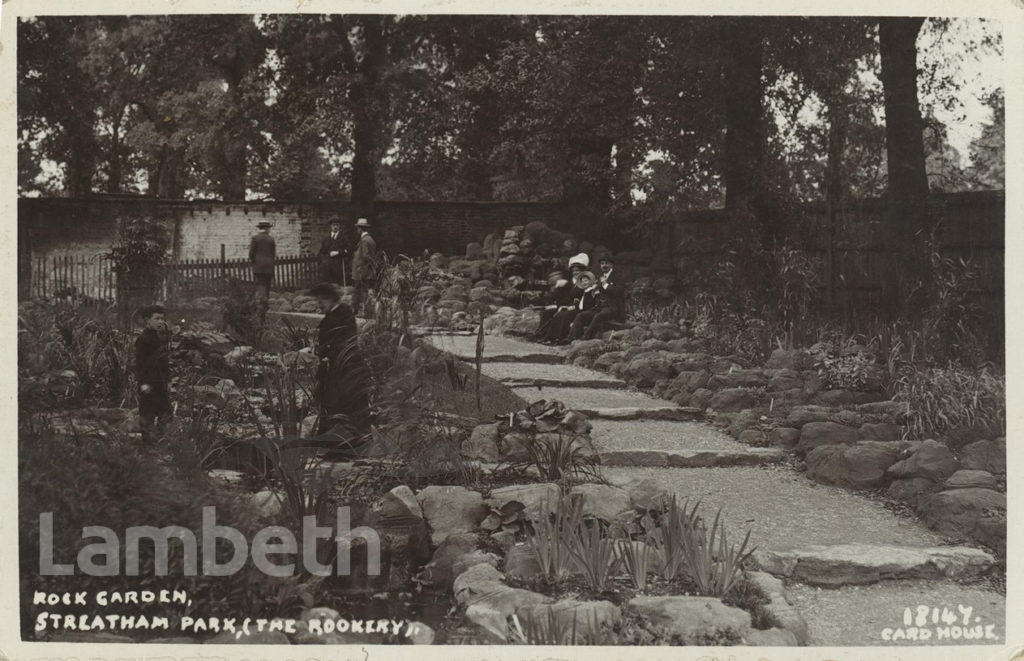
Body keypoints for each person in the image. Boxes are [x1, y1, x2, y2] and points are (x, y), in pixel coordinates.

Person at [309, 283, 372, 452]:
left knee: (343, 402)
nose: (319, 303)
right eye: (318, 299)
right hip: (336, 365)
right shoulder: (333, 315)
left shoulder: (343, 314)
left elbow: (343, 340)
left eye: (323, 299)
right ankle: (335, 443)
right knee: (332, 402)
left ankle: (346, 443)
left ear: (333, 299)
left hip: (345, 365)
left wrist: (326, 353)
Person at [135, 304, 172, 444]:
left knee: (166, 413)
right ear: (147, 320)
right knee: (147, 414)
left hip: (159, 382)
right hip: (148, 383)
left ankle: (157, 440)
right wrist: (143, 383)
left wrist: (168, 380)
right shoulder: (142, 340)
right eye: (156, 318)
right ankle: (148, 445)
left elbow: (164, 362)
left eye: (162, 318)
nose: (160, 321)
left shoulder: (158, 338)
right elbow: (139, 365)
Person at [543, 270, 601, 345]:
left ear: (591, 282)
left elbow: (592, 304)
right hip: (578, 309)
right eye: (582, 281)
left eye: (586, 281)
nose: (584, 283)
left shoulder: (593, 292)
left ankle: (559, 338)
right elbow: (578, 302)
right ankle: (552, 337)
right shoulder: (583, 291)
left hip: (585, 311)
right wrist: (568, 307)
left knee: (565, 315)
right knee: (561, 313)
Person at [578, 249, 626, 339]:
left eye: (606, 263)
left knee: (598, 316)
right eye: (602, 263)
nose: (604, 265)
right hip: (600, 307)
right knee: (582, 315)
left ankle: (586, 336)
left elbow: (618, 291)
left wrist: (605, 285)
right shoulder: (600, 277)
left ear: (611, 265)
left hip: (613, 308)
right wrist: (594, 289)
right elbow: (597, 294)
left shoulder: (618, 276)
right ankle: (571, 337)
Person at [350, 217, 377, 316]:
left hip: (361, 271)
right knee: (358, 291)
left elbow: (366, 256)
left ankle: (367, 312)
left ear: (360, 229)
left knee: (362, 291)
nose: (357, 230)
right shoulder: (370, 239)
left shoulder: (364, 241)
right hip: (364, 271)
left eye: (358, 228)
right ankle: (355, 310)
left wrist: (361, 269)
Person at [249, 221, 276, 304]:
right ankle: (265, 301)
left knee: (261, 283)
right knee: (267, 284)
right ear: (267, 229)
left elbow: (251, 253)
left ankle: (263, 301)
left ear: (260, 228)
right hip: (269, 265)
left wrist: (254, 262)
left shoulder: (255, 238)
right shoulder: (271, 239)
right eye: (269, 228)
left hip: (258, 265)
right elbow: (273, 253)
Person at [318, 219, 349, 285]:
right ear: (330, 226)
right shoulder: (326, 239)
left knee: (337, 286)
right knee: (327, 285)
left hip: (338, 266)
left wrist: (338, 252)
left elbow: (348, 250)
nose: (335, 227)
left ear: (339, 226)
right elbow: (321, 252)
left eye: (337, 225)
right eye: (333, 225)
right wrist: (323, 262)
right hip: (327, 267)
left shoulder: (344, 238)